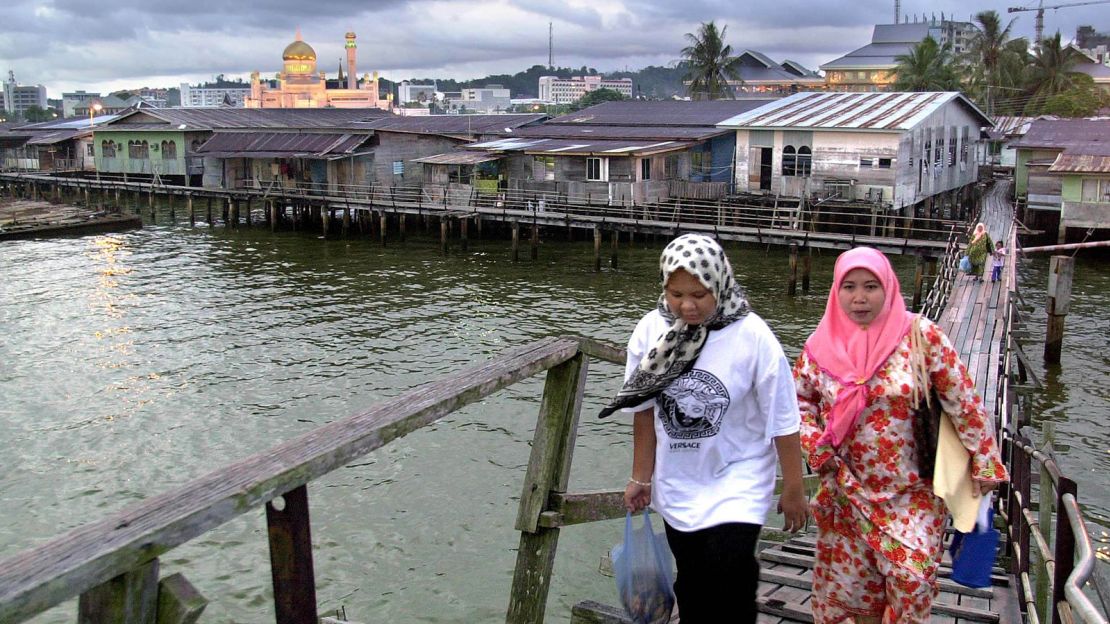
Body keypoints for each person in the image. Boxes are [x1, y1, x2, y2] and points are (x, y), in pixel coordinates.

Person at [793, 247, 1008, 623]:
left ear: (889, 287)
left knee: (912, 582)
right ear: (836, 291)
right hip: (847, 489)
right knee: (855, 591)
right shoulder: (819, 347)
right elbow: (797, 404)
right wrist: (814, 444)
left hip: (914, 491)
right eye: (850, 287)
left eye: (871, 286)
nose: (859, 298)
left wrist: (985, 461)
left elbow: (963, 399)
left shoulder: (920, 337)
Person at [599, 233, 807, 624]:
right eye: (676, 294)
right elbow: (643, 412)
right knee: (693, 582)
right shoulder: (650, 332)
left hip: (739, 477)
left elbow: (783, 416)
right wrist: (640, 478)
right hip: (681, 482)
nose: (687, 305)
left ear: (719, 283)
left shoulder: (752, 335)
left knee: (731, 575)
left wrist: (794, 486)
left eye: (699, 294)